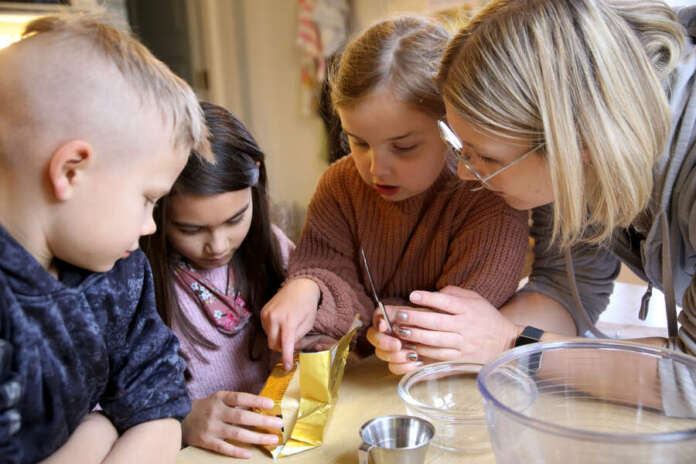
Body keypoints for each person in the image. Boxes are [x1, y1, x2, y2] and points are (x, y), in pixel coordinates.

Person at [368, 0, 696, 387]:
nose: (465, 174)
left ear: (577, 147)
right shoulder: (582, 150)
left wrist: (508, 343)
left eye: (487, 157)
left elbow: (688, 379)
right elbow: (566, 290)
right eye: (461, 147)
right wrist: (450, 338)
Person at [261, 15, 530, 372]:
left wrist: (382, 319)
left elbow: (463, 318)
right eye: (357, 142)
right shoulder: (339, 185)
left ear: (453, 127)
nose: (376, 168)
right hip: (369, 378)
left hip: (456, 379)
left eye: (404, 147)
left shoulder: (488, 194)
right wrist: (310, 288)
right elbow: (326, 268)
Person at [0, 15, 212, 463]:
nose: (150, 225)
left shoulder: (120, 272)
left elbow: (158, 405)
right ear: (71, 171)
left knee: (98, 427)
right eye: (147, 199)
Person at [141, 102, 294, 459]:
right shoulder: (138, 283)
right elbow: (106, 409)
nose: (218, 245)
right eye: (191, 229)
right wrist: (182, 421)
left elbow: (326, 304)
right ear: (156, 207)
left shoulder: (269, 246)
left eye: (235, 219)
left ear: (256, 180)